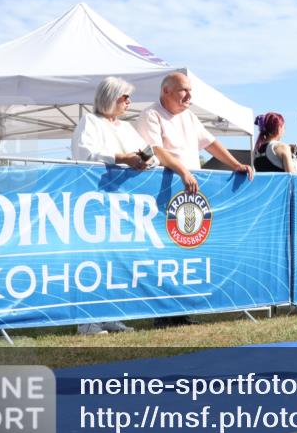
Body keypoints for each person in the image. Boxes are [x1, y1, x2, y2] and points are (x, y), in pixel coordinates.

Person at [136, 71, 254, 328]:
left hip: (187, 196)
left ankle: (180, 311)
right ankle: (163, 315)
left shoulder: (189, 117)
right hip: (163, 195)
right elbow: (156, 151)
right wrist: (183, 171)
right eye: (183, 90)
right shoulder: (151, 115)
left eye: (190, 90)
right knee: (164, 255)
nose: (189, 95)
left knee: (184, 255)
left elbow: (210, 143)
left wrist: (236, 165)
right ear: (166, 92)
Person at [70, 76, 147, 335]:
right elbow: (85, 155)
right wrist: (122, 157)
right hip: (94, 201)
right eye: (125, 97)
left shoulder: (126, 128)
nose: (129, 102)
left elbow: (148, 152)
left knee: (116, 260)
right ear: (111, 97)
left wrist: (146, 160)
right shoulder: (89, 122)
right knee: (92, 260)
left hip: (123, 202)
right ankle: (87, 321)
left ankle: (110, 314)